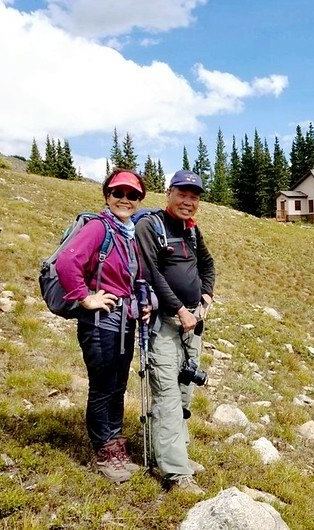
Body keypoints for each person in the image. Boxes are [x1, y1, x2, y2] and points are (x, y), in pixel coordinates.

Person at [55, 168, 150, 483]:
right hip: (99, 322)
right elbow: (67, 261)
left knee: (118, 385)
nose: (125, 199)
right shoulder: (99, 227)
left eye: (132, 194)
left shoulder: (129, 232)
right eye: (118, 193)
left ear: (139, 199)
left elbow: (133, 276)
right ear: (107, 196)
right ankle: (104, 451)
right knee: (102, 386)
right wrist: (85, 298)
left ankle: (117, 447)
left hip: (124, 321)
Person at [135, 170, 215, 495]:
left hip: (192, 324)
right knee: (167, 395)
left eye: (194, 196)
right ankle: (176, 475)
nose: (189, 201)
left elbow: (208, 265)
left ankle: (174, 454)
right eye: (183, 194)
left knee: (184, 392)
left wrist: (206, 297)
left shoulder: (191, 231)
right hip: (164, 325)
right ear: (168, 193)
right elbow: (150, 273)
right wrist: (179, 310)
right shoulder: (149, 226)